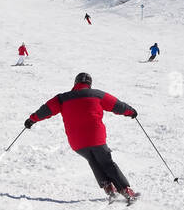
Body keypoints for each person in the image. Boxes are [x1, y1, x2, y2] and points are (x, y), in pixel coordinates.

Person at [25, 73, 139, 203]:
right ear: (89, 84)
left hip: (77, 143)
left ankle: (108, 187)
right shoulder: (97, 94)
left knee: (93, 160)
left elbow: (46, 110)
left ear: (75, 83)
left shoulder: (62, 98)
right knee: (107, 162)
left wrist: (32, 119)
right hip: (96, 138)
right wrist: (131, 111)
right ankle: (125, 190)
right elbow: (117, 105)